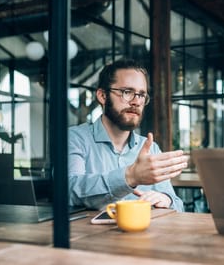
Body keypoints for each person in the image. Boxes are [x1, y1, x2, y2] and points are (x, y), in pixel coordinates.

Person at [68, 58, 187, 211]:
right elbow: (68, 191)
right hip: (89, 234)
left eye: (142, 95)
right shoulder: (75, 138)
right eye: (127, 92)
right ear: (103, 96)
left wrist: (167, 199)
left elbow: (178, 205)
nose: (136, 102)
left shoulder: (151, 148)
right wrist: (130, 177)